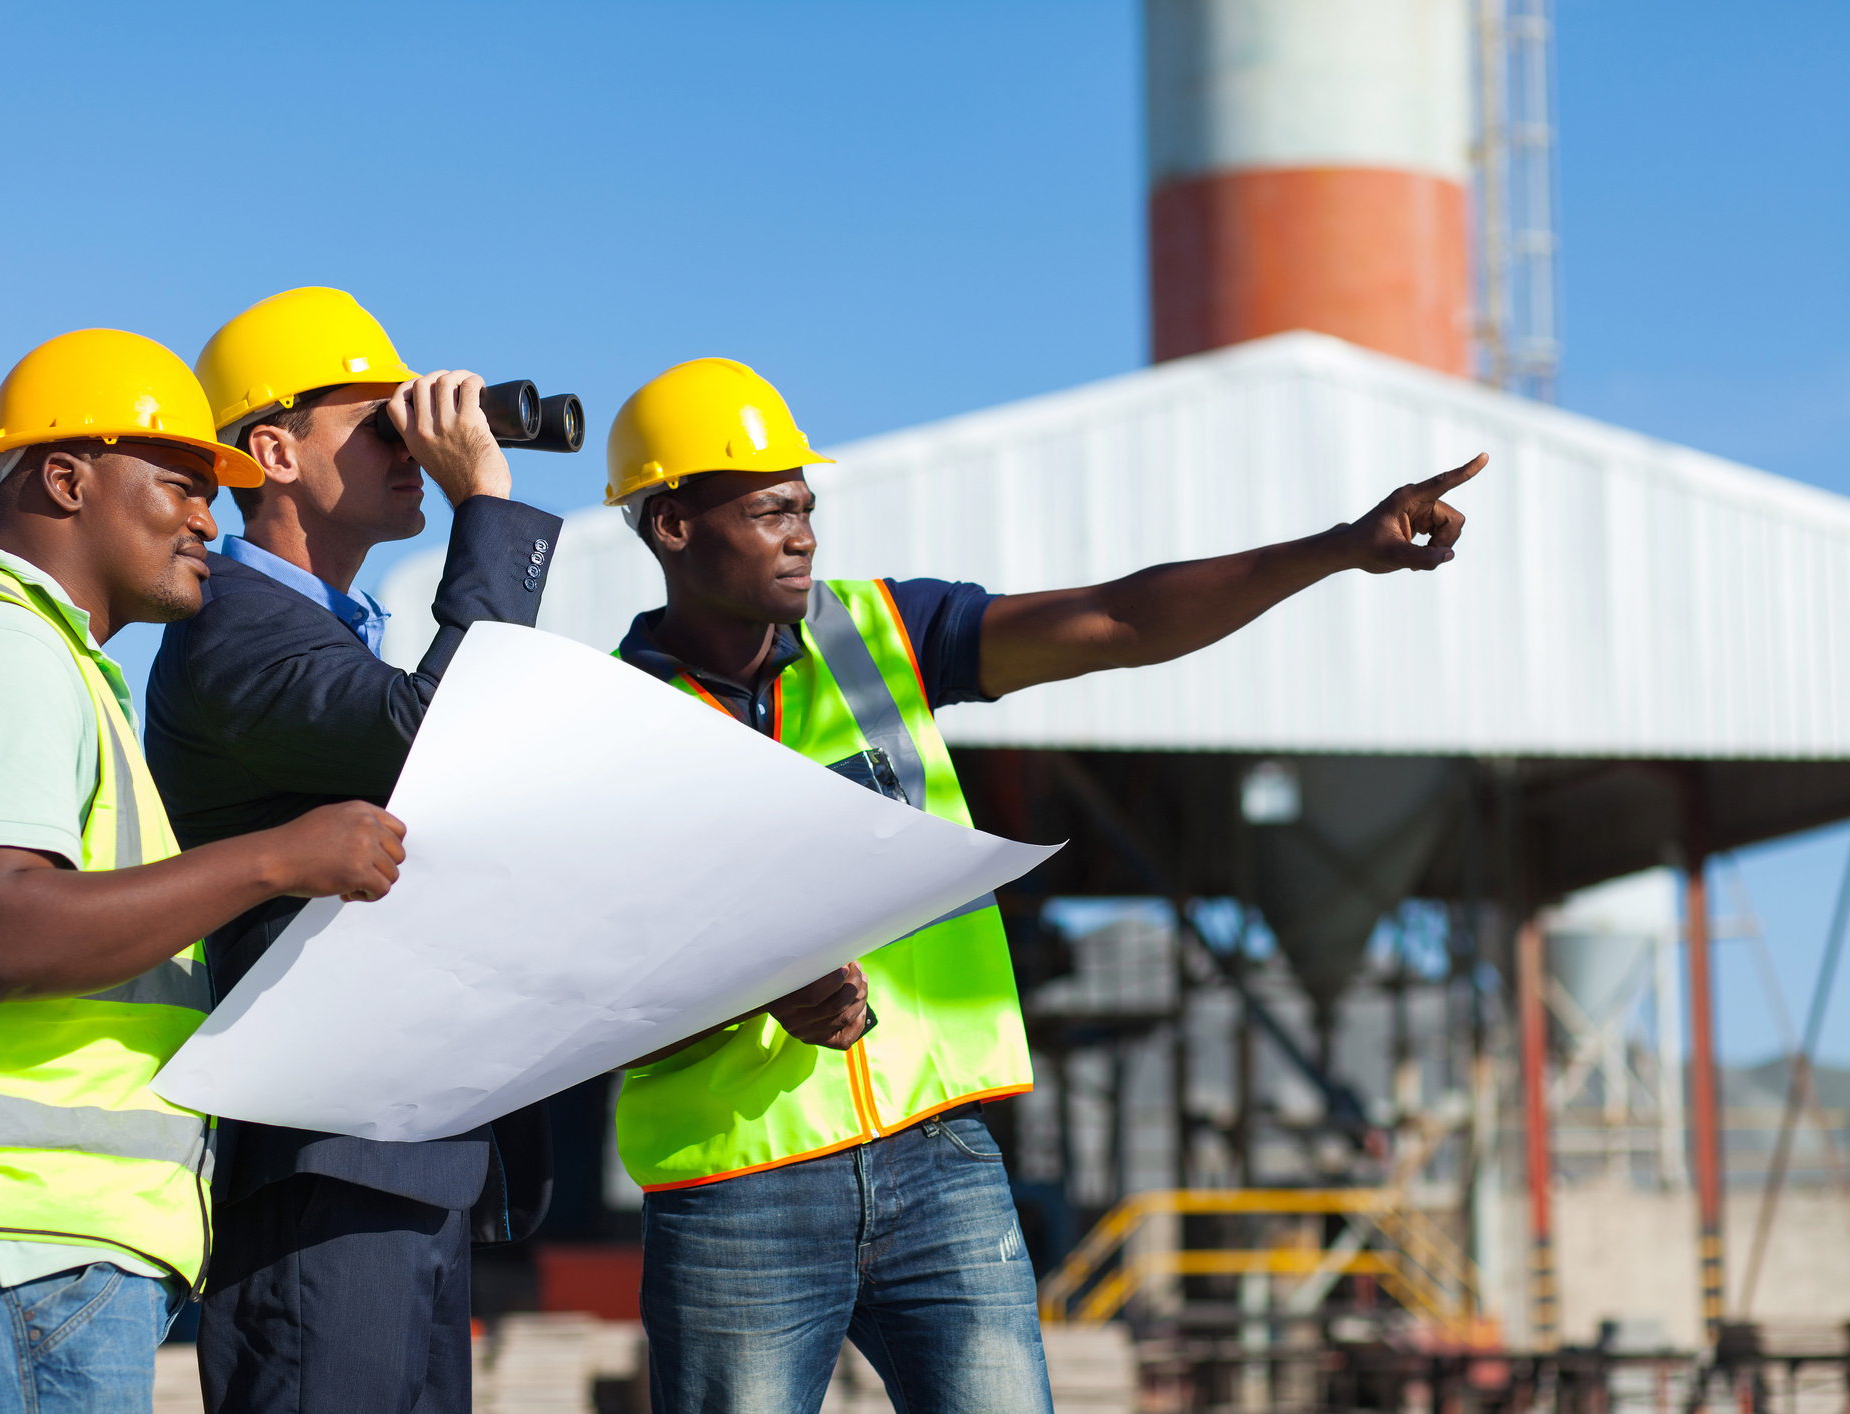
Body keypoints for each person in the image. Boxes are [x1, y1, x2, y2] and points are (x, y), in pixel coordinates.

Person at [604, 357, 1486, 1414]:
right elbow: (587, 1005)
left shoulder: (878, 635)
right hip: (738, 1186)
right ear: (673, 526)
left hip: (939, 1159)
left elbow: (1118, 620)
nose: (805, 532)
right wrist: (763, 991)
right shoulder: (610, 728)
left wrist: (1341, 549)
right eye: (770, 508)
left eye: (807, 505)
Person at [0, 329, 411, 1414]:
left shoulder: (59, 670)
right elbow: (4, 933)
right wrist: (278, 857)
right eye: (179, 485)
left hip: (19, 1249)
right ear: (66, 479)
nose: (209, 519)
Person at [144, 287, 564, 1414]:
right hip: (322, 1150)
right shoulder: (227, 619)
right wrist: (487, 500)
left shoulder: (335, 629)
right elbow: (447, 732)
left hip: (408, 1146)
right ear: (272, 452)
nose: (417, 443)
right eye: (380, 421)